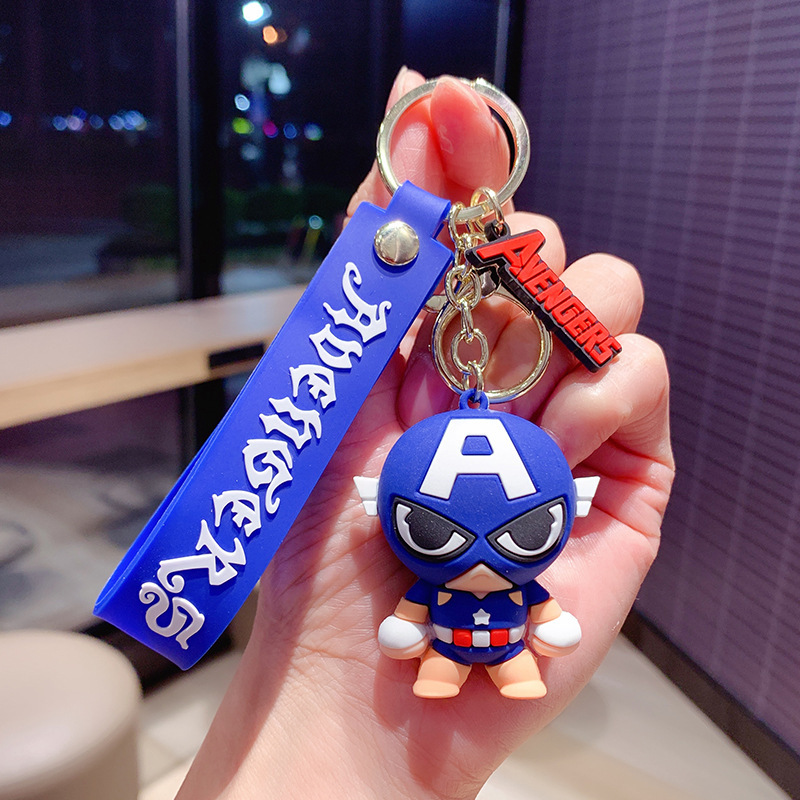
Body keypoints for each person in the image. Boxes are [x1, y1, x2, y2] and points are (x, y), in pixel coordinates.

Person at [177, 67, 674, 799]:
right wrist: (326, 685)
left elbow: (537, 606)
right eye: (437, 533)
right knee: (447, 660)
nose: (480, 547)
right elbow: (427, 607)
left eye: (525, 531)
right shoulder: (436, 559)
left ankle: (495, 669)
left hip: (498, 644)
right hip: (435, 643)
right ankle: (453, 670)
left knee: (509, 659)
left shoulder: (511, 572)